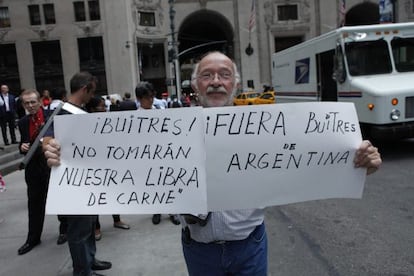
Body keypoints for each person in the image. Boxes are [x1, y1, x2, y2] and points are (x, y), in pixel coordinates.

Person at [43, 52, 382, 275]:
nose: (216, 81)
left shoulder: (271, 129)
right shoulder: (164, 132)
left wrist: (360, 162)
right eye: (207, 75)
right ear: (195, 86)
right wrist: (64, 157)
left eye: (224, 74)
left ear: (235, 83)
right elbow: (110, 161)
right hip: (200, 250)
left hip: (249, 247)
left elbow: (317, 161)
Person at [43, 72, 111, 276]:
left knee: (89, 224)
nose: (93, 96)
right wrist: (49, 148)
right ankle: (82, 271)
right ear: (84, 89)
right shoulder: (61, 112)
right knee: (78, 230)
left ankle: (90, 259)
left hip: (87, 180)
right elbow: (45, 140)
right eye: (92, 91)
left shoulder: (80, 111)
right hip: (72, 183)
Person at [84, 96, 130, 241]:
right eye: (101, 107)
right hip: (94, 167)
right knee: (96, 196)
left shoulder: (109, 122)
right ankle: (96, 227)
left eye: (105, 107)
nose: (104, 110)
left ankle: (117, 220)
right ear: (91, 110)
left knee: (112, 193)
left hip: (110, 164)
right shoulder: (85, 125)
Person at [135, 81, 181, 226]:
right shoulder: (134, 117)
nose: (150, 100)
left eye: (152, 97)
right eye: (147, 97)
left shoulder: (160, 112)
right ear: (139, 99)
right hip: (147, 157)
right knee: (153, 185)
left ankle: (173, 211)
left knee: (168, 183)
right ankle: (157, 211)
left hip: (164, 154)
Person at [17, 89, 52, 255]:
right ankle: (33, 238)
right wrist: (21, 147)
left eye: (33, 102)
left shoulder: (52, 117)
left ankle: (64, 230)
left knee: (57, 199)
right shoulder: (23, 122)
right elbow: (23, 142)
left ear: (39, 101)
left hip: (50, 165)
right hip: (32, 168)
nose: (30, 105)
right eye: (26, 103)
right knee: (34, 203)